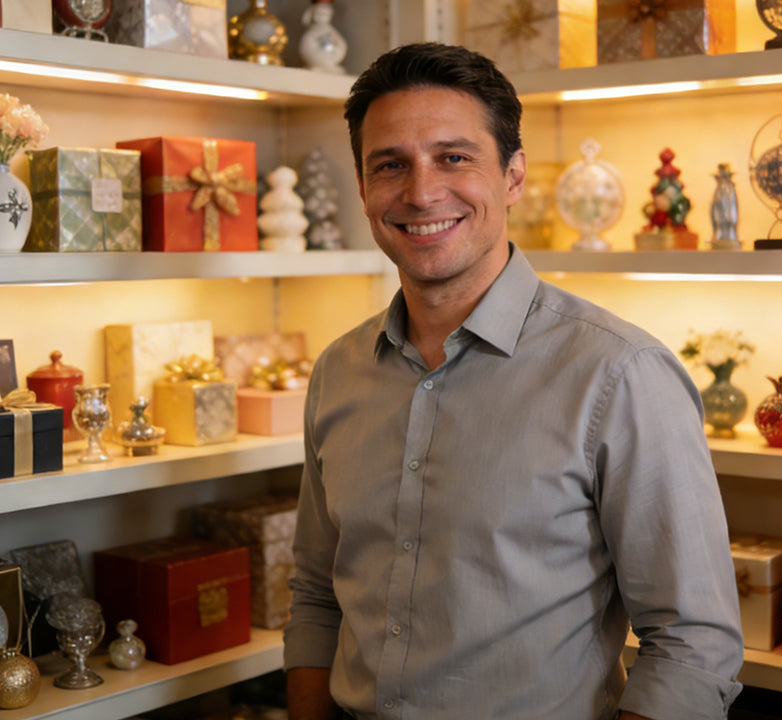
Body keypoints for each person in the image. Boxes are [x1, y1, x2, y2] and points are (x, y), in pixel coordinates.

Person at [283, 42, 744, 720]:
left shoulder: (620, 374)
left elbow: (692, 644)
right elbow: (318, 597)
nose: (421, 192)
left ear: (513, 176)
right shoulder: (338, 371)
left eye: (453, 157)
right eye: (390, 165)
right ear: (362, 187)